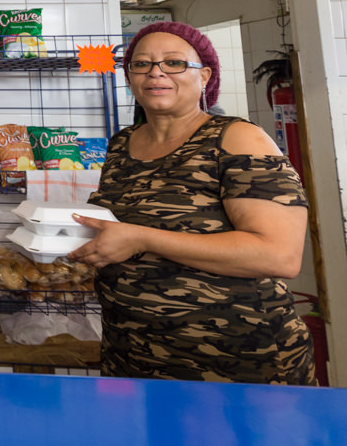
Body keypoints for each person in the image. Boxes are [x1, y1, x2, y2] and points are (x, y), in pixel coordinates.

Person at [68, 21, 316, 384]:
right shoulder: (122, 146)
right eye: (142, 64)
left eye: (173, 62)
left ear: (204, 76)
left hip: (239, 361)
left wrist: (142, 238)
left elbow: (279, 254)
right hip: (135, 357)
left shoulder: (236, 138)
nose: (156, 72)